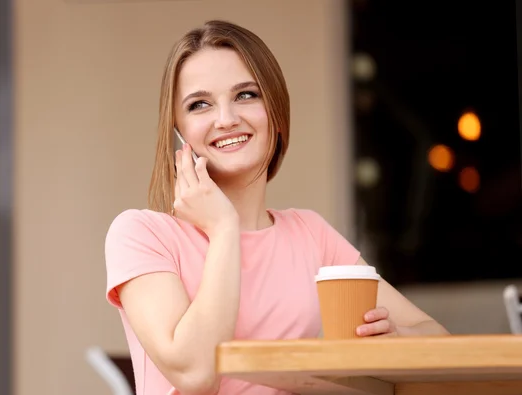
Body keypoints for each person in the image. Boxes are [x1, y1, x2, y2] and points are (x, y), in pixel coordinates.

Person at [104, 20, 449, 395]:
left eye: (246, 95)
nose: (226, 119)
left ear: (276, 110)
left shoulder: (310, 235)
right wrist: (223, 229)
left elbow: (436, 338)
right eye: (199, 104)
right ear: (178, 130)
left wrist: (395, 341)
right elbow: (195, 374)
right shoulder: (141, 234)